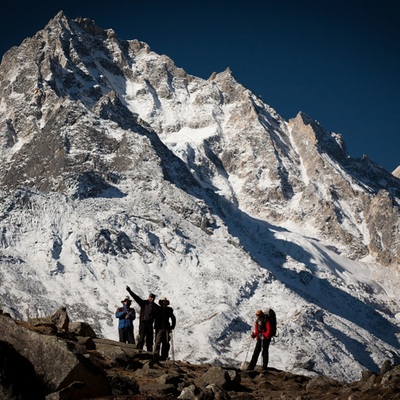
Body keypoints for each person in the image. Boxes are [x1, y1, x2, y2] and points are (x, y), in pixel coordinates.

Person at [126, 285, 157, 351]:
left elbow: (161, 312)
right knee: (141, 337)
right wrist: (129, 291)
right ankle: (139, 351)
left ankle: (149, 352)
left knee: (149, 339)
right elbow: (136, 297)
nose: (151, 299)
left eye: (153, 298)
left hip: (150, 324)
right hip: (143, 323)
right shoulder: (143, 303)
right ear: (148, 297)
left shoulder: (155, 307)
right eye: (151, 297)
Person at [153, 297, 176, 361]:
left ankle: (163, 356)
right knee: (158, 342)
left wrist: (172, 326)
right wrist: (172, 326)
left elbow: (173, 318)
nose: (164, 303)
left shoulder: (169, 309)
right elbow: (173, 318)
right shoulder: (158, 308)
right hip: (159, 328)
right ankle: (156, 355)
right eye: (163, 301)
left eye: (165, 301)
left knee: (165, 343)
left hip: (165, 328)